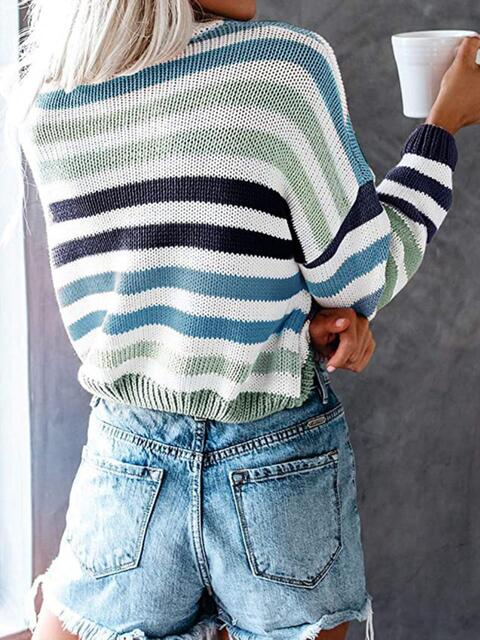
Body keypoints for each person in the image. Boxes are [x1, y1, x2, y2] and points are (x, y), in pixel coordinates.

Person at [8, 0, 480, 639]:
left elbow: (159, 285)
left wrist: (283, 315)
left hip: (127, 468)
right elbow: (362, 274)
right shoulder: (280, 68)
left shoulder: (51, 103)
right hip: (276, 461)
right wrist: (442, 127)